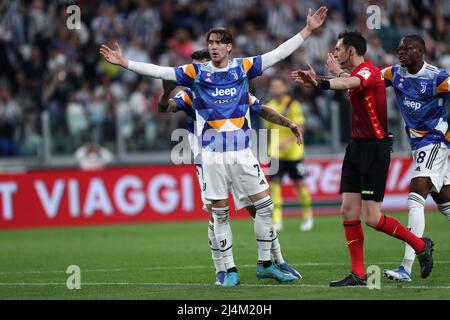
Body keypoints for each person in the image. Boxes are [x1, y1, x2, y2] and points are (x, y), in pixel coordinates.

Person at [100, 6, 328, 286]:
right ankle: (229, 271)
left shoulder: (243, 68)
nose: (214, 47)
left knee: (265, 207)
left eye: (219, 43)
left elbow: (278, 53)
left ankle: (266, 264)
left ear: (229, 47)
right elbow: (161, 71)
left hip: (243, 152)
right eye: (211, 43)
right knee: (220, 213)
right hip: (210, 156)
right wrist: (126, 63)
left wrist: (307, 30)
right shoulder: (195, 73)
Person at [291, 31, 434, 287]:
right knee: (347, 209)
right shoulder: (358, 74)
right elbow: (348, 80)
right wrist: (325, 77)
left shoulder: (371, 71)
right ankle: (358, 273)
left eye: (338, 48)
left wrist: (320, 83)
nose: (335, 53)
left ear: (351, 51)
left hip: (375, 149)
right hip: (355, 147)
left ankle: (421, 245)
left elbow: (349, 83)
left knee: (371, 217)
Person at [158, 49, 301, 285]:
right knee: (217, 216)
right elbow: (165, 107)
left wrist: (287, 122)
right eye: (195, 66)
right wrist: (165, 90)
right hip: (208, 159)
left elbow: (261, 108)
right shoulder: (190, 94)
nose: (201, 71)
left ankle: (277, 260)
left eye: (204, 65)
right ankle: (222, 269)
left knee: (259, 209)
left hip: (236, 153)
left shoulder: (232, 88)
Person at [265, 76, 314, 232]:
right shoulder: (269, 106)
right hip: (275, 153)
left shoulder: (293, 104)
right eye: (273, 86)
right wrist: (267, 148)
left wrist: (286, 143)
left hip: (294, 153)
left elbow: (300, 126)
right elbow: (268, 130)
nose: (276, 89)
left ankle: (308, 215)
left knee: (299, 184)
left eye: (279, 85)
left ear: (285, 88)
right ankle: (277, 220)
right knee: (275, 186)